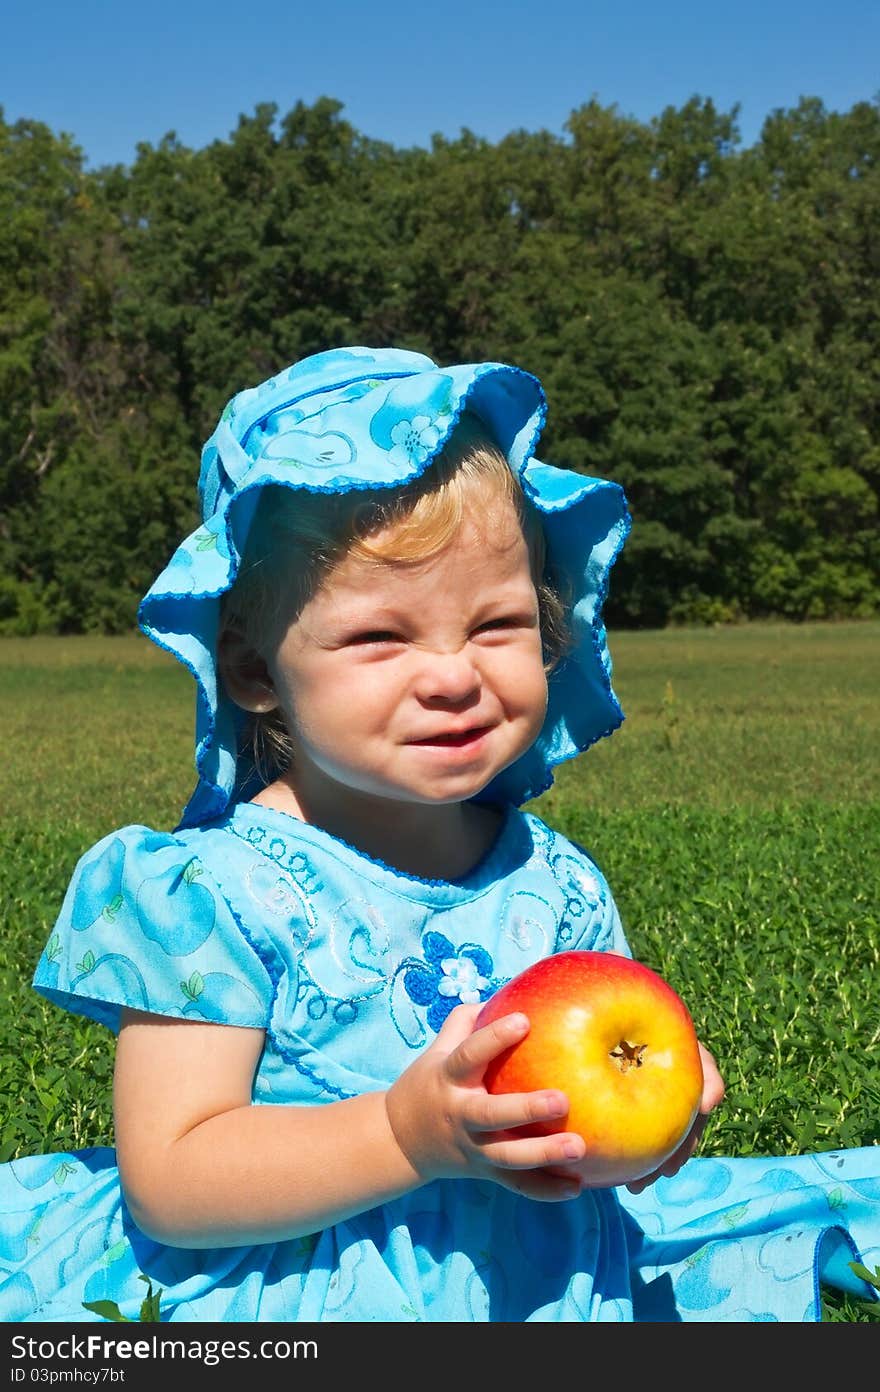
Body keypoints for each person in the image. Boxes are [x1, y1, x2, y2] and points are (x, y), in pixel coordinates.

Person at [0, 346, 877, 1323]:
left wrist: (647, 1130)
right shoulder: (206, 891)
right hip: (287, 1283)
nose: (454, 676)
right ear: (252, 667)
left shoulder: (557, 882)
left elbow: (591, 1115)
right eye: (381, 637)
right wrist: (400, 1136)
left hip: (532, 1274)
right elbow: (174, 1180)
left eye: (496, 624)